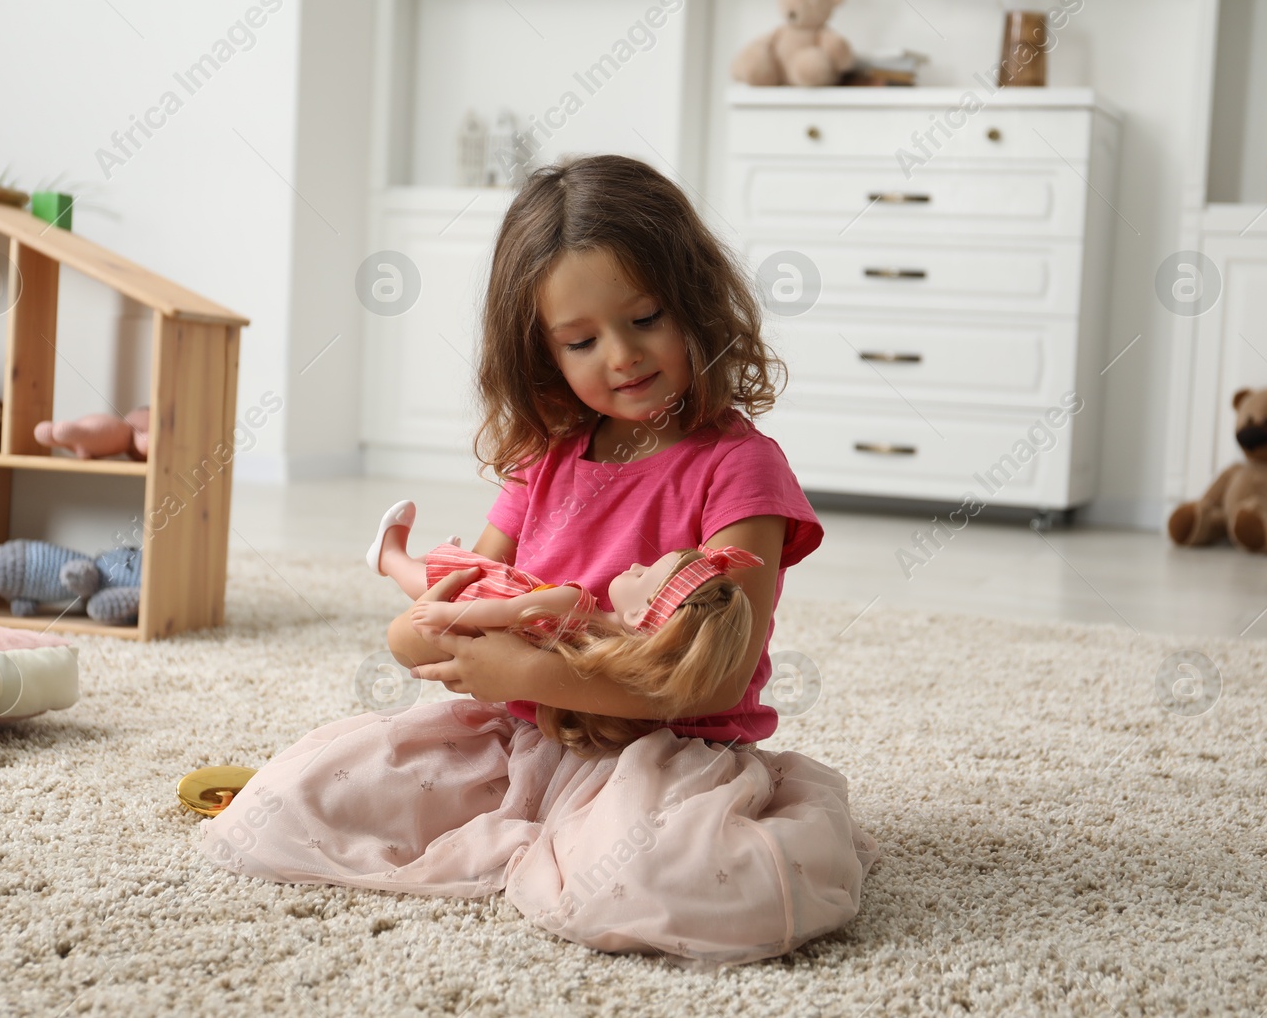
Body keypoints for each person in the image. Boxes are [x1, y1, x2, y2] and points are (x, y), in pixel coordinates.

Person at [200, 153, 880, 969]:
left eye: (647, 317)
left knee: (694, 880)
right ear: (542, 354)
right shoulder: (549, 457)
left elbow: (714, 675)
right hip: (512, 735)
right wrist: (427, 638)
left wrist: (524, 670)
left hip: (655, 752)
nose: (622, 356)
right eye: (582, 340)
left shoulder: (740, 470)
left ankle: (564, 844)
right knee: (288, 804)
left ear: (694, 301)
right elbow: (438, 622)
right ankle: (533, 835)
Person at [366, 497, 763, 755]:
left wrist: (453, 615)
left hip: (488, 608)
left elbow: (504, 614)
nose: (637, 565)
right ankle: (396, 557)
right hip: (496, 611)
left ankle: (390, 557)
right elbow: (507, 612)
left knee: (437, 581)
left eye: (644, 576)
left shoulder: (577, 605)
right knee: (439, 582)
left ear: (641, 616)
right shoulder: (604, 644)